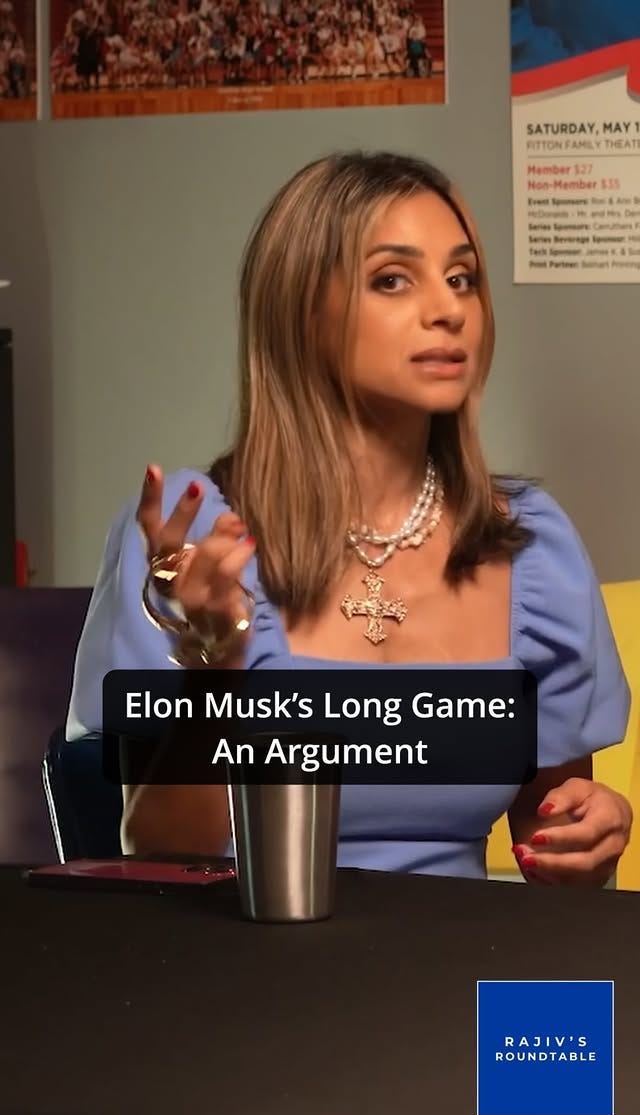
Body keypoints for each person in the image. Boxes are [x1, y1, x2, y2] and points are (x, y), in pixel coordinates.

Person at [67, 149, 633, 886]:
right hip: (241, 951)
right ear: (303, 312)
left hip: (460, 950)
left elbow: (552, 856)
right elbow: (160, 849)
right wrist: (213, 667)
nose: (449, 309)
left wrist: (589, 839)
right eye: (393, 280)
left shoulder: (533, 546)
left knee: (572, 976)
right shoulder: (194, 534)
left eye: (462, 278)